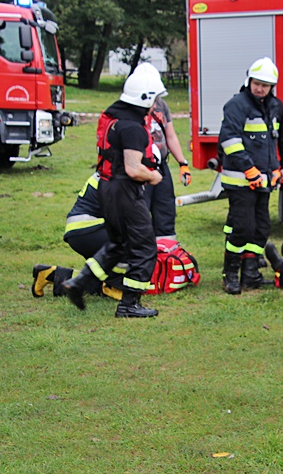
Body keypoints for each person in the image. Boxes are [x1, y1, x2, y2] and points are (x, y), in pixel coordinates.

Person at [61, 65, 168, 317]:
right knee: (144, 247)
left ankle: (79, 283)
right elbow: (133, 168)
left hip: (107, 188)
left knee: (118, 244)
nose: (155, 105)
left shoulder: (115, 120)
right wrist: (154, 176)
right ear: (145, 99)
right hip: (124, 191)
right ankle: (129, 304)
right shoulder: (133, 128)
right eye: (154, 99)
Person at [218, 57, 283, 294]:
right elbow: (229, 140)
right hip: (240, 180)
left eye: (265, 85)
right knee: (243, 228)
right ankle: (230, 275)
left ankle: (250, 275)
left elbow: (282, 138)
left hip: (264, 180)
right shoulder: (236, 105)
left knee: (261, 228)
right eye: (257, 83)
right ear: (249, 81)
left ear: (272, 87)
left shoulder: (275, 106)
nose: (260, 88)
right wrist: (249, 169)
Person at [31, 172, 109, 298]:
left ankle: (53, 274)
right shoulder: (127, 173)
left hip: (83, 231)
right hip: (91, 231)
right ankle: (114, 286)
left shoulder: (113, 168)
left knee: (102, 279)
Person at [144, 72, 192, 241]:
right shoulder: (132, 107)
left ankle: (167, 250)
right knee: (141, 211)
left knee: (165, 209)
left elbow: (170, 136)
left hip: (161, 166)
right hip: (141, 168)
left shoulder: (161, 105)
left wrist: (183, 163)